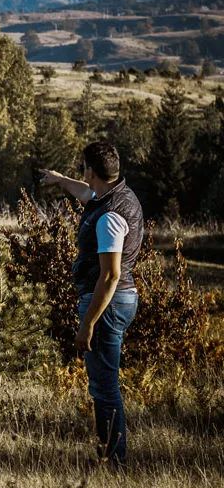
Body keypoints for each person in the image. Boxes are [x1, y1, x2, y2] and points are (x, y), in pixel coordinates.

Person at [40, 141, 143, 468]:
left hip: (108, 303)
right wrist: (59, 179)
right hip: (123, 299)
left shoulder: (109, 217)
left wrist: (88, 324)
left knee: (104, 387)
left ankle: (114, 461)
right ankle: (112, 456)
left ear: (91, 170)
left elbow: (110, 276)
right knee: (105, 382)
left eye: (83, 168)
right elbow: (87, 193)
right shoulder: (119, 195)